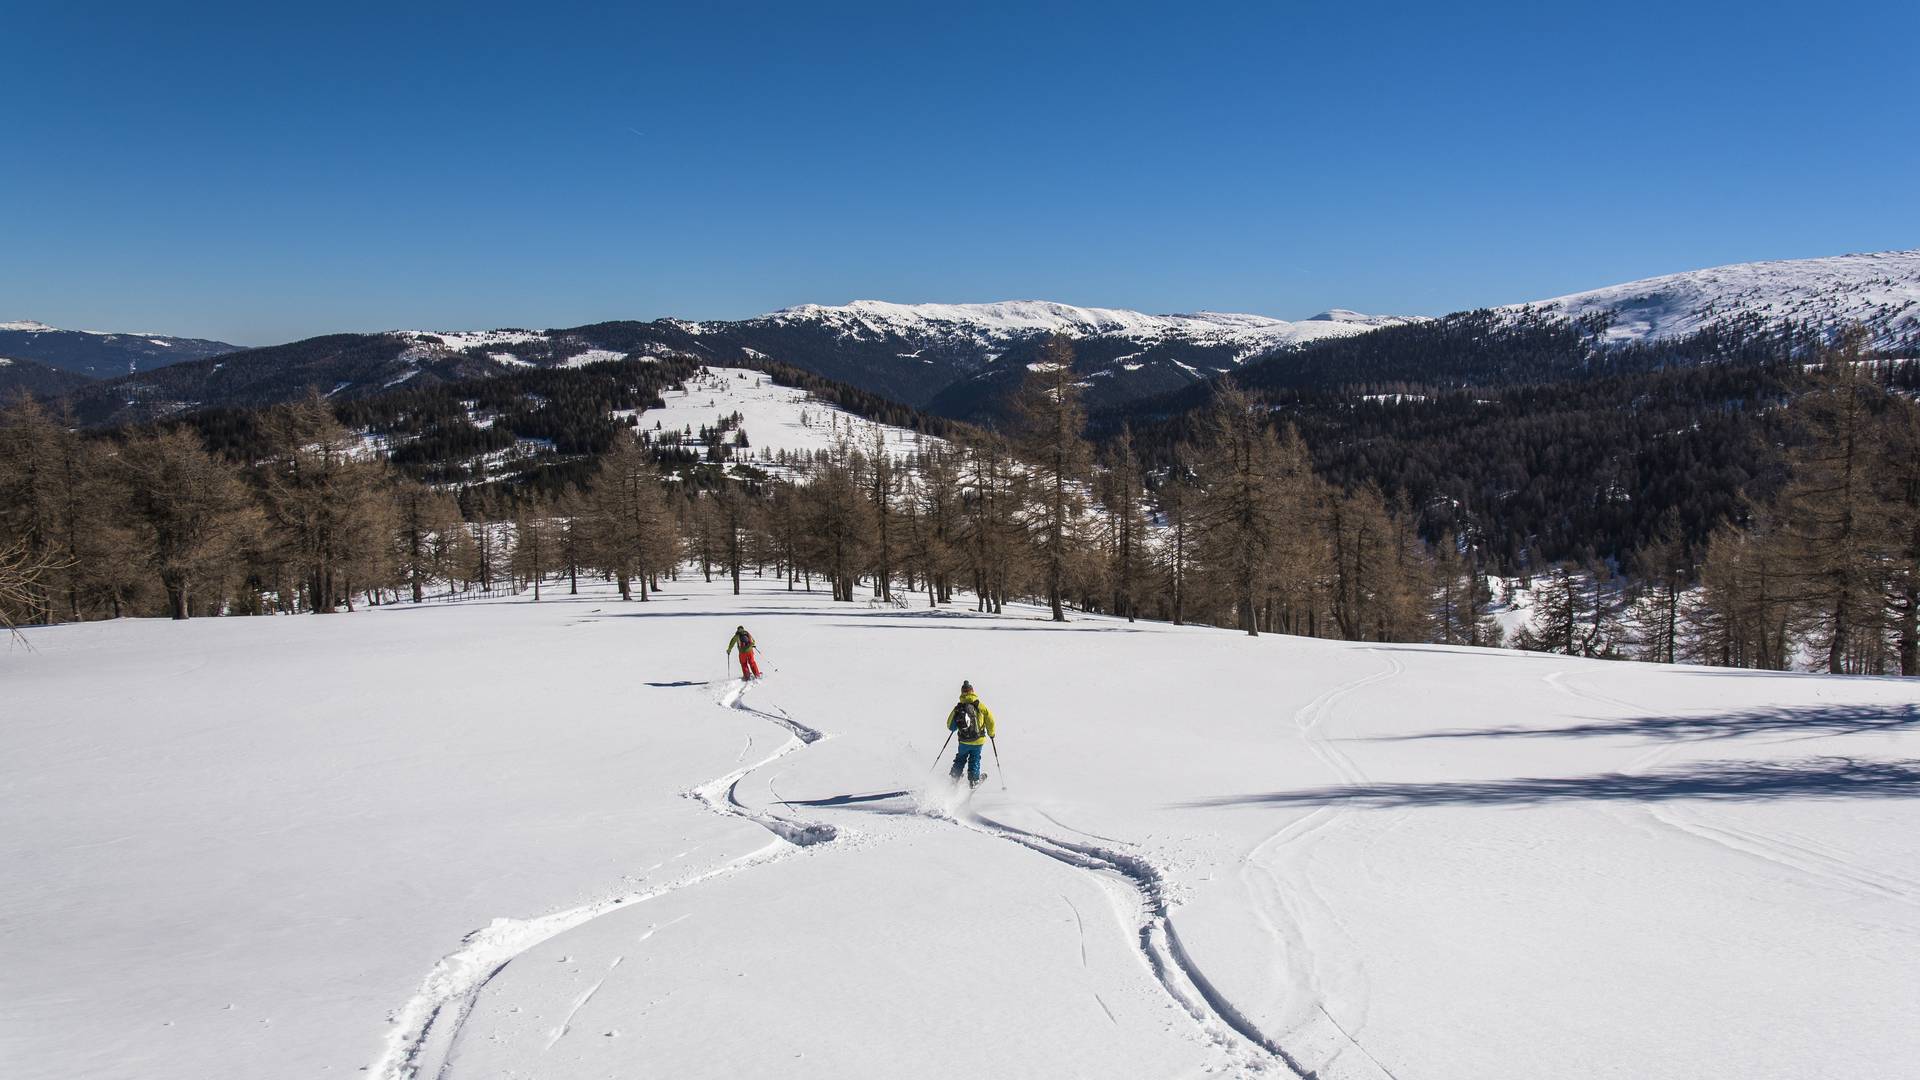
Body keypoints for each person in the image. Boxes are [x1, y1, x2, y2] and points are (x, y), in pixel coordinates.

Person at [946, 680, 996, 788]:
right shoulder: (980, 705)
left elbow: (950, 726)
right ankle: (973, 780)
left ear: (962, 693)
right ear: (972, 691)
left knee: (960, 758)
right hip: (978, 739)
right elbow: (990, 720)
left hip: (964, 741)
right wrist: (991, 734)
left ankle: (954, 778)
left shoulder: (958, 708)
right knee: (975, 758)